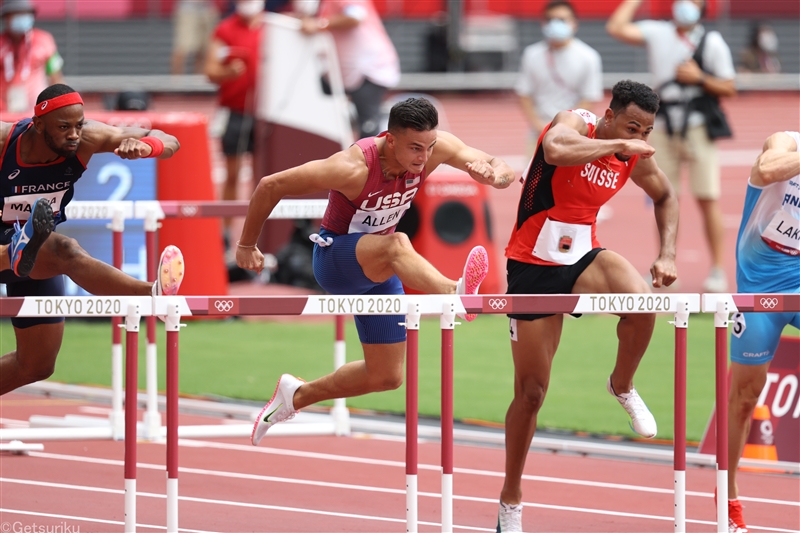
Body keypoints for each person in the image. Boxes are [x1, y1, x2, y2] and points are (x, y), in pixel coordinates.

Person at [236, 97, 515, 445]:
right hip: (336, 261)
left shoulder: (433, 147)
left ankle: (295, 396)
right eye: (415, 148)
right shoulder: (351, 167)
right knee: (398, 243)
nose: (424, 158)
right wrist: (246, 245)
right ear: (391, 139)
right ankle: (454, 293)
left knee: (385, 376)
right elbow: (270, 185)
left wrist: (496, 177)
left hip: (379, 268)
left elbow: (495, 163)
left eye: (429, 147)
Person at [496, 80, 679, 532]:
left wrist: (668, 252)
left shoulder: (632, 153)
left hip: (583, 257)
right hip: (532, 265)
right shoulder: (578, 122)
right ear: (610, 115)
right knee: (532, 392)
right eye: (634, 125)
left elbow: (667, 196)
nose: (641, 137)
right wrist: (617, 142)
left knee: (642, 304)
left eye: (649, 130)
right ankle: (510, 498)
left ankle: (622, 385)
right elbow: (556, 148)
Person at [0, 83, 185, 396]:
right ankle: (15, 250)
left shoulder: (88, 138)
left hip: (37, 249)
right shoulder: (5, 140)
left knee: (37, 365)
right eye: (63, 127)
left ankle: (153, 293)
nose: (73, 134)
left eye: (79, 124)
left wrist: (146, 147)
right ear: (38, 124)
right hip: (18, 244)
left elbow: (171, 140)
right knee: (58, 246)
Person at [607, 0, 736, 293]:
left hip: (698, 126)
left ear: (702, 8)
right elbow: (616, 27)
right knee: (663, 195)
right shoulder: (659, 32)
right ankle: (664, 263)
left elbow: (729, 85)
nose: (683, 6)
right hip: (662, 126)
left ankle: (717, 270)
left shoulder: (711, 41)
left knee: (707, 197)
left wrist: (700, 78)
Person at [726, 131, 800, 533]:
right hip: (758, 293)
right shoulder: (785, 142)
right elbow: (769, 168)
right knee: (744, 399)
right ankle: (729, 493)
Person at [204, 0, 264, 239]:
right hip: (234, 111)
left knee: (267, 177)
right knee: (232, 174)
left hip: (266, 114)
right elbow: (210, 70)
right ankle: (226, 233)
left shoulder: (273, 29)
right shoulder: (225, 30)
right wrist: (228, 72)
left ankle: (262, 232)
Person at [297, 0, 401, 139]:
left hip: (367, 69)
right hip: (344, 72)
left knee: (367, 129)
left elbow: (354, 16)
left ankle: (371, 160)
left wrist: (319, 24)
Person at [516, 0, 603, 158]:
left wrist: (565, 127)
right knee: (532, 182)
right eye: (550, 19)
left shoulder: (588, 57)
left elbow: (589, 98)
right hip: (538, 134)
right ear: (543, 23)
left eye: (562, 20)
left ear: (574, 24)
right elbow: (524, 95)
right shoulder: (532, 54)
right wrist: (539, 126)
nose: (555, 24)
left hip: (573, 135)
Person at [0, 0, 64, 113]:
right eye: (17, 13)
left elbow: (56, 77)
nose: (22, 17)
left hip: (36, 111)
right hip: (3, 113)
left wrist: (61, 103)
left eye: (25, 13)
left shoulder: (44, 40)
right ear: (6, 17)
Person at [171, 0, 219, 75]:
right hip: (189, 8)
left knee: (203, 51)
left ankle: (197, 83)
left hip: (207, 8)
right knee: (182, 49)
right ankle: (175, 84)